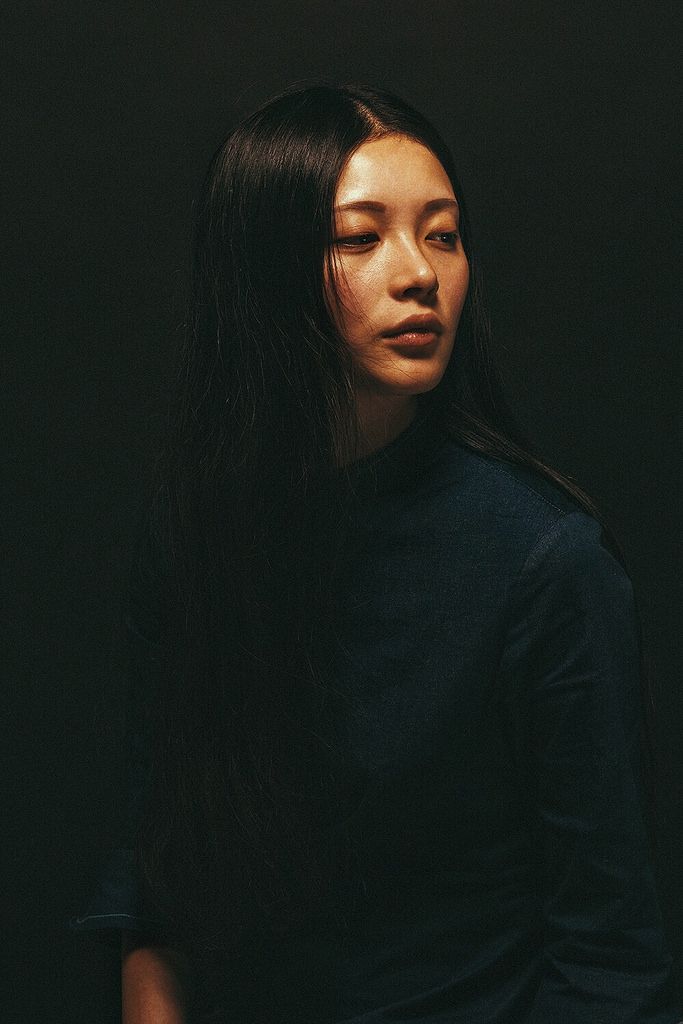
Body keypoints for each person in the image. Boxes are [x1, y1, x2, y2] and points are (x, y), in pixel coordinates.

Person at [70, 83, 680, 1022]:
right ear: (263, 267)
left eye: (442, 233)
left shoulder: (547, 562)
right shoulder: (196, 522)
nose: (419, 274)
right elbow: (159, 851)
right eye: (361, 238)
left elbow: (613, 959)